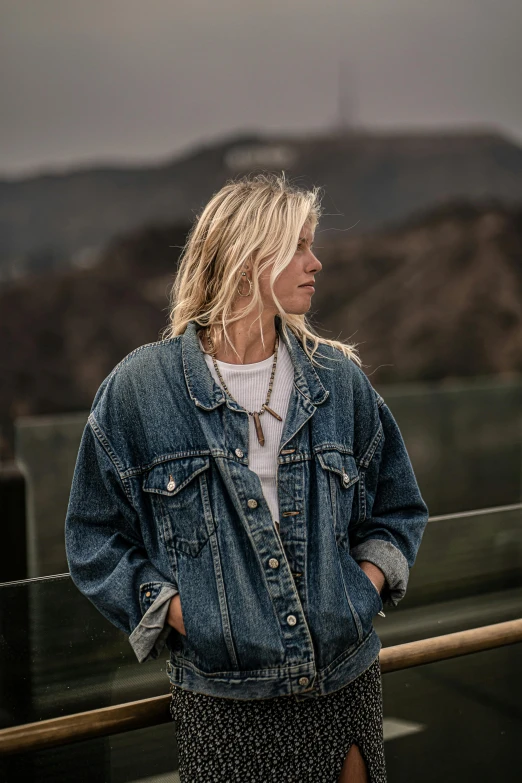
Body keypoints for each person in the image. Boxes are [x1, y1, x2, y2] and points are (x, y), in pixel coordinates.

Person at [65, 172, 429, 782]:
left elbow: (398, 506)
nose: (317, 262)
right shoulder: (139, 392)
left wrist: (358, 593)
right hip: (223, 698)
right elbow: (94, 539)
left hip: (343, 678)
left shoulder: (337, 381)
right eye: (299, 246)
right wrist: (184, 614)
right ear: (246, 258)